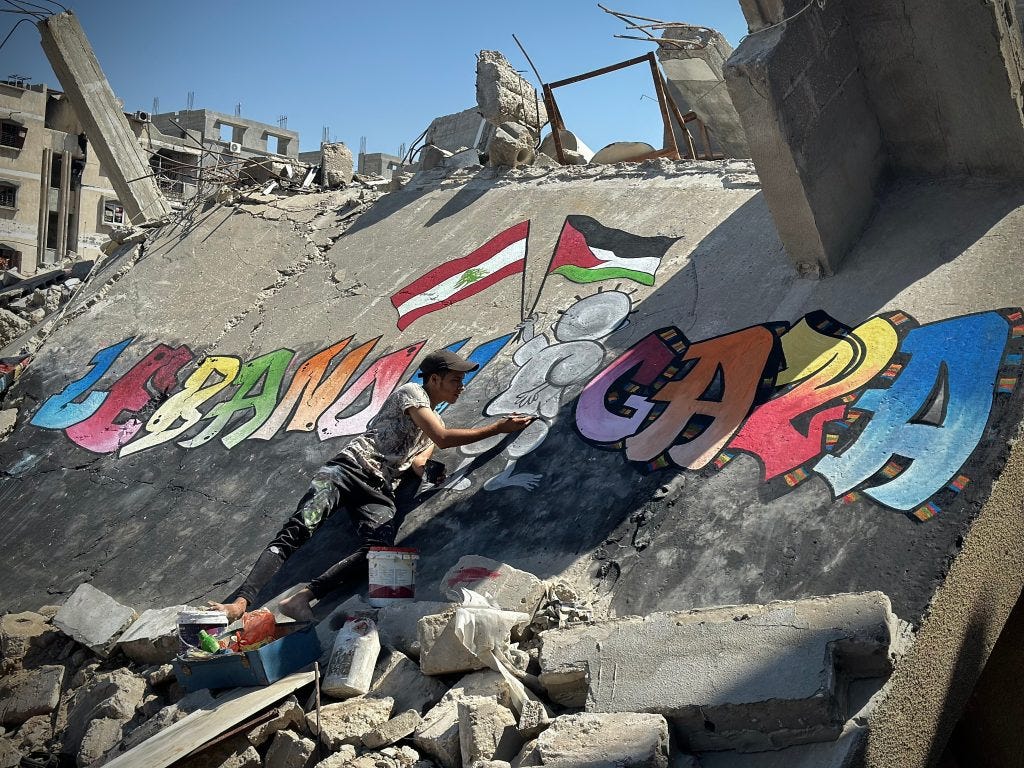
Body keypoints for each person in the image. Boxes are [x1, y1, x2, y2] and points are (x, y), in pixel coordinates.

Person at [209, 349, 533, 621]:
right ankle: (241, 603)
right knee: (300, 527)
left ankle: (304, 597)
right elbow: (443, 438)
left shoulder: (436, 421)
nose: (460, 386)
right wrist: (498, 428)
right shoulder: (412, 393)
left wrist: (432, 476)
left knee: (381, 550)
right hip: (348, 469)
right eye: (455, 380)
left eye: (461, 381)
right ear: (434, 379)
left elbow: (421, 460)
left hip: (379, 489)